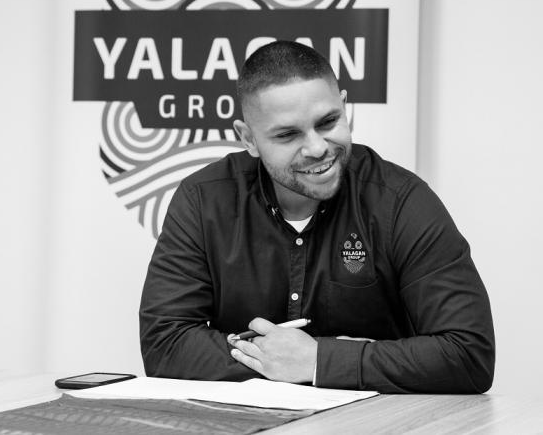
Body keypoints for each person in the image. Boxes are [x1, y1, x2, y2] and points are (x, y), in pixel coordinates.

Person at [139, 40, 495, 393]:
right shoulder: (203, 200)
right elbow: (164, 344)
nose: (318, 148)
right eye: (287, 134)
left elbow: (469, 353)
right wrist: (285, 361)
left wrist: (318, 360)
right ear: (248, 139)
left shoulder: (401, 201)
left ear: (343, 105)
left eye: (328, 122)